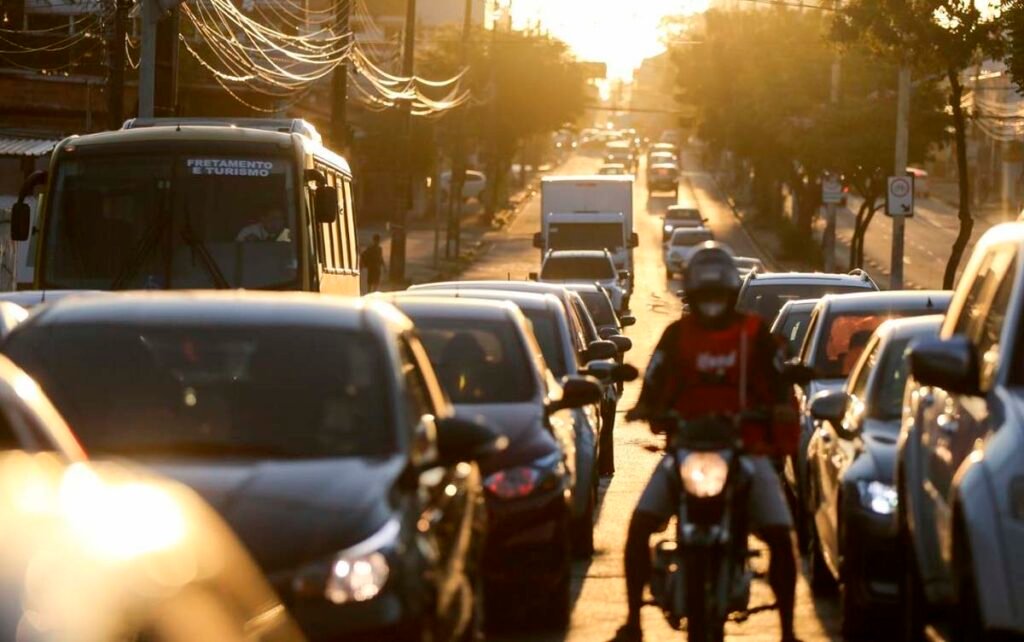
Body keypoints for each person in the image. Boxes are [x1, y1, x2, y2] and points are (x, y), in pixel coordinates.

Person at [611, 243, 802, 642]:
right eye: (705, 297)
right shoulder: (675, 335)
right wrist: (643, 407)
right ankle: (633, 620)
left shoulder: (755, 334)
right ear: (693, 296)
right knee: (640, 525)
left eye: (719, 297)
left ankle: (788, 629)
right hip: (684, 451)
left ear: (732, 295)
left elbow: (779, 377)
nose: (712, 306)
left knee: (781, 536)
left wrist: (781, 406)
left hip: (745, 451)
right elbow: (655, 379)